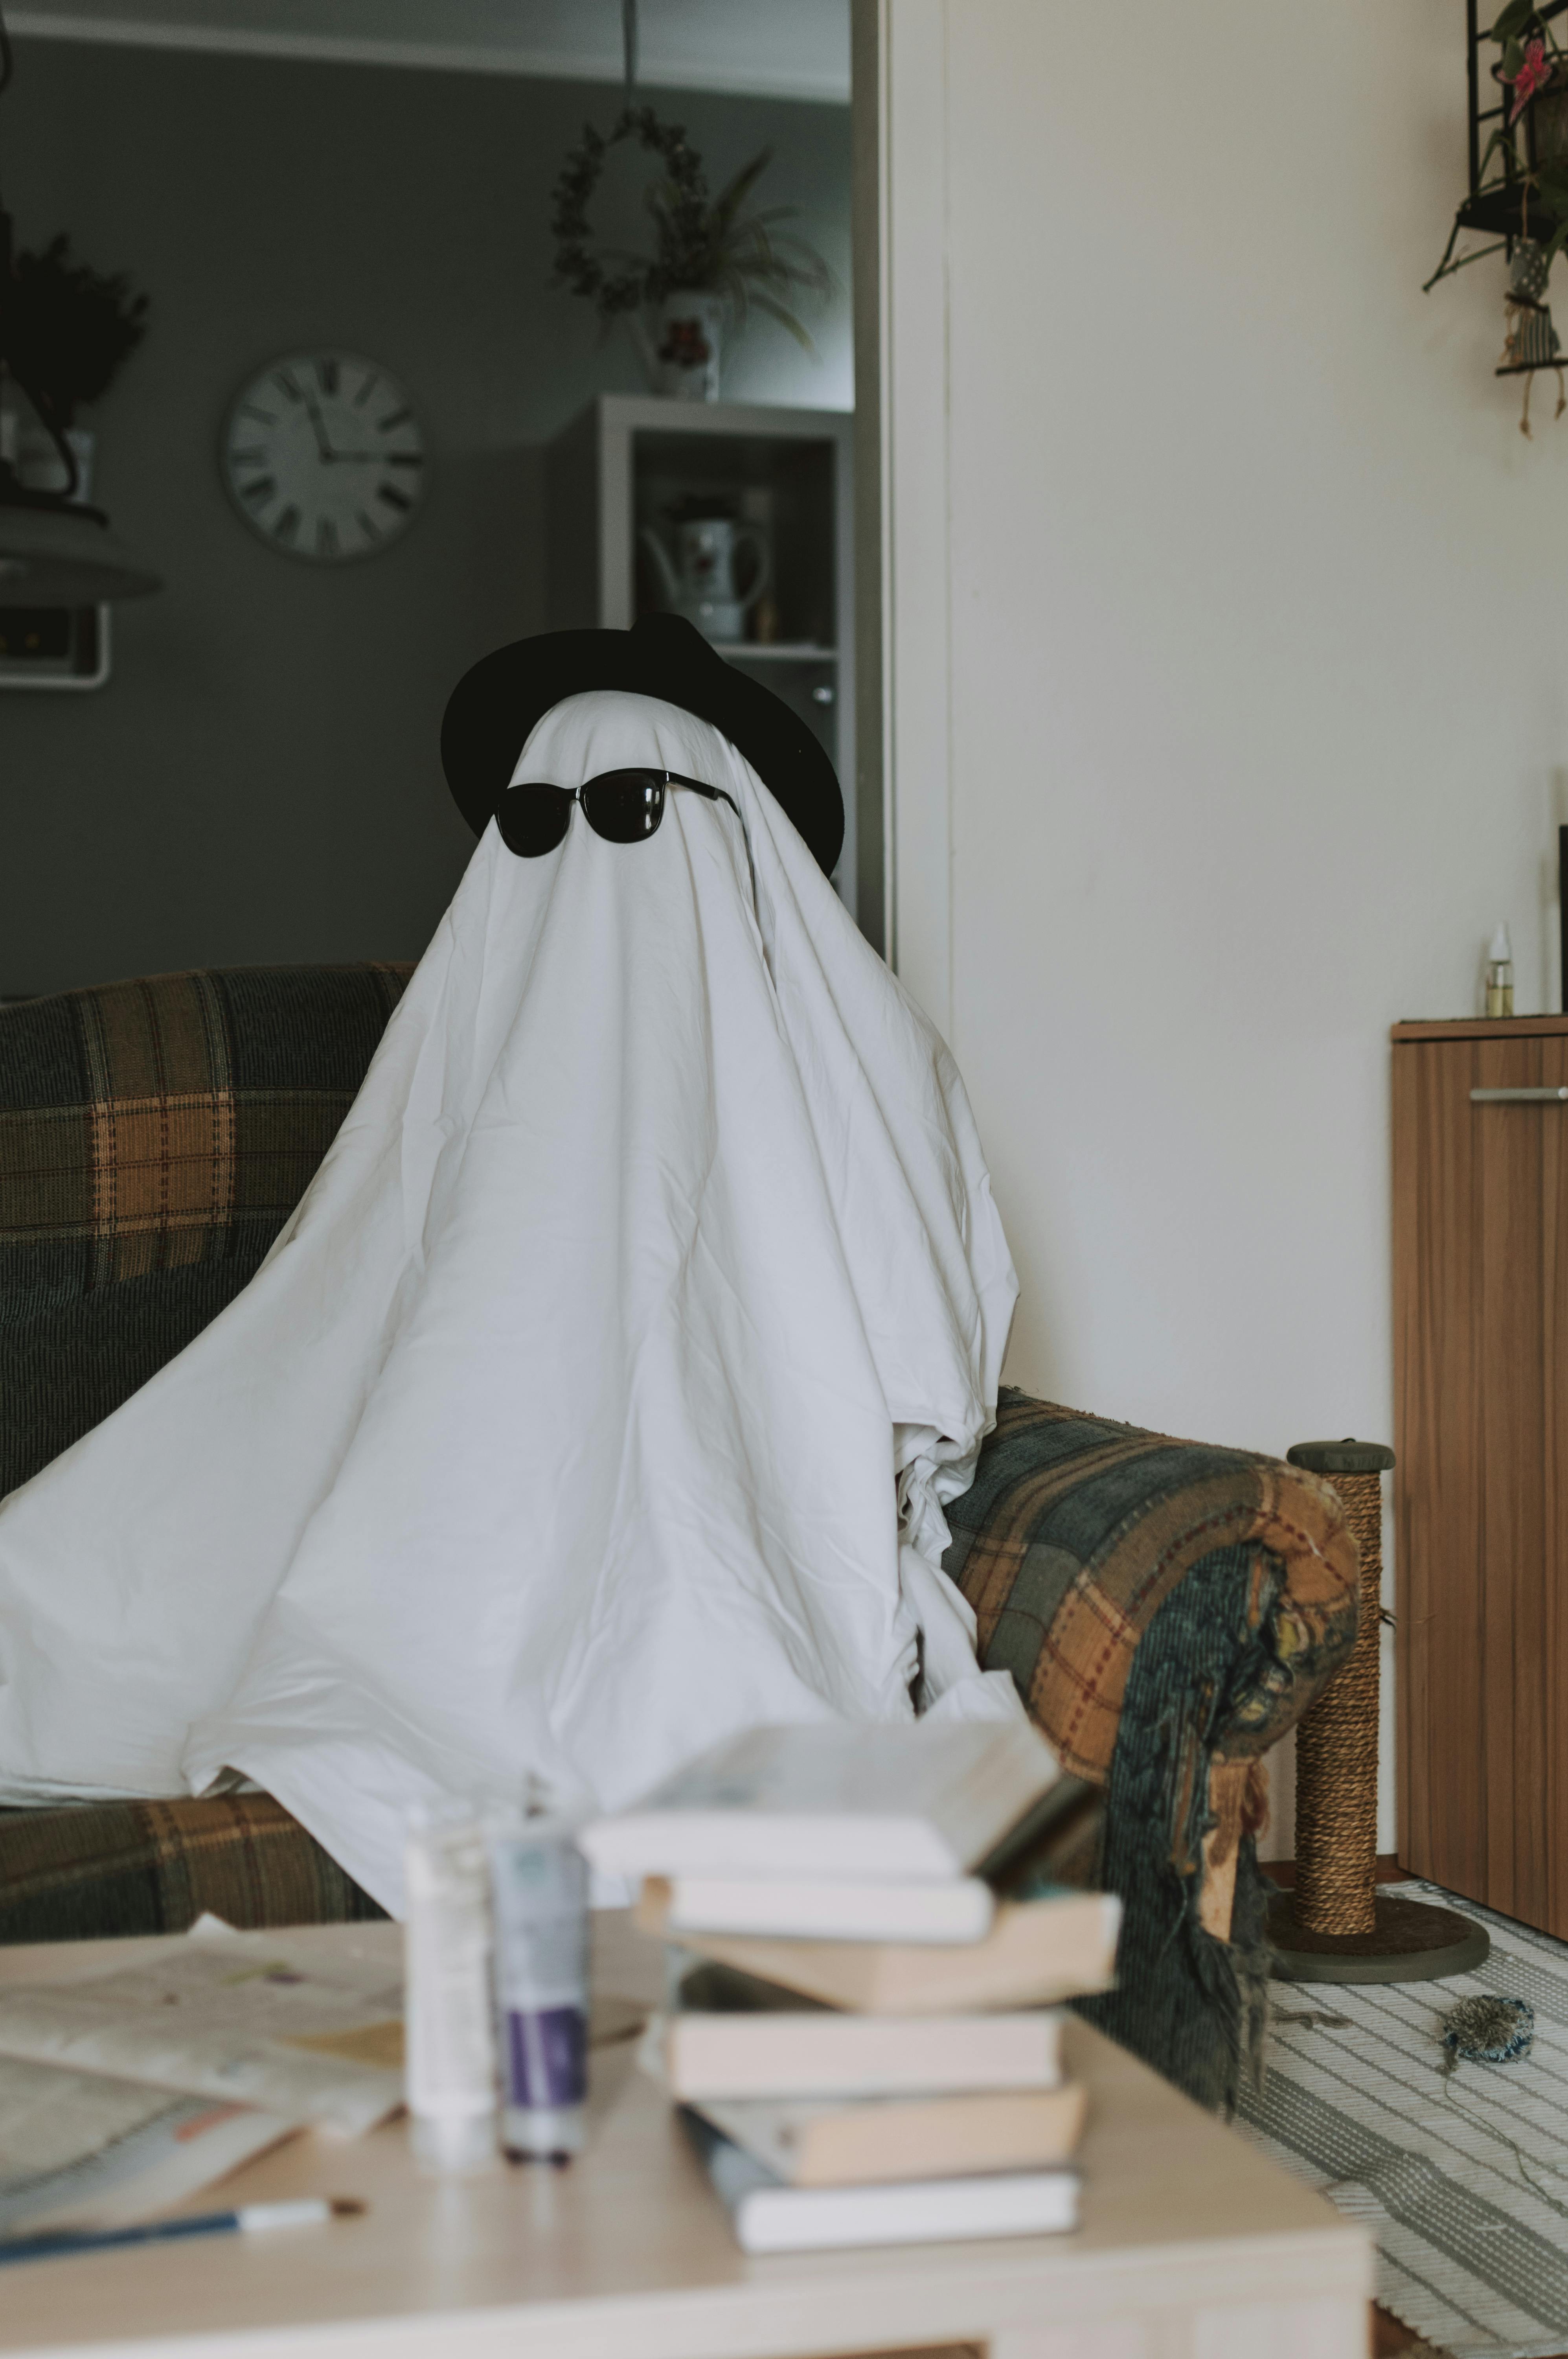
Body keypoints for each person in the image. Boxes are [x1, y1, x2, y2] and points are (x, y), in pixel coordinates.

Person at [0, 617, 1022, 1912]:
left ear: (723, 826)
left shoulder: (856, 1063)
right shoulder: (461, 1062)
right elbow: (351, 1307)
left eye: (631, 807)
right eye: (534, 824)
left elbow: (927, 1350)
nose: (577, 849)